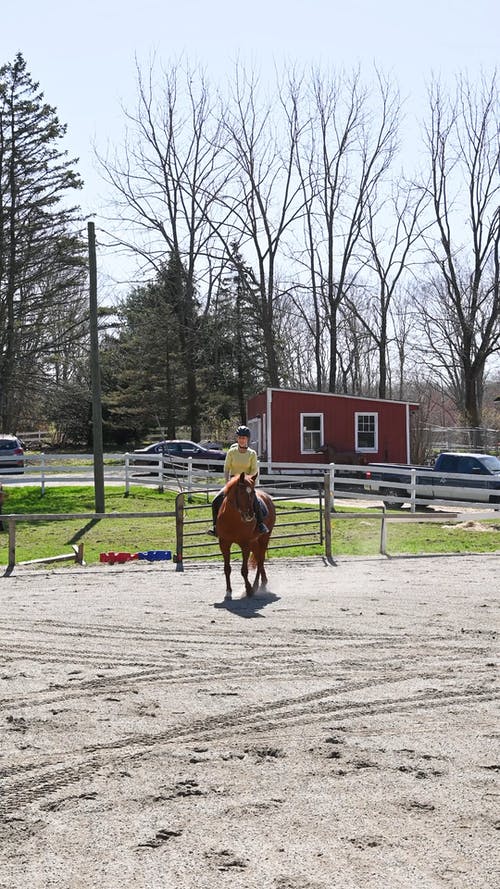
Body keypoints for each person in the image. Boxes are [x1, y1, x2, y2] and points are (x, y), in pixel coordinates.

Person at [208, 425, 269, 536]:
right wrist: (227, 483)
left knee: (255, 501)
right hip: (232, 483)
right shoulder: (231, 452)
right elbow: (226, 468)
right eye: (240, 437)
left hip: (246, 484)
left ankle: (260, 524)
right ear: (237, 439)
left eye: (244, 438)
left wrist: (249, 484)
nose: (242, 440)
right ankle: (215, 526)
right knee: (215, 500)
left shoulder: (252, 454)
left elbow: (254, 471)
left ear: (247, 439)